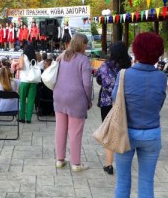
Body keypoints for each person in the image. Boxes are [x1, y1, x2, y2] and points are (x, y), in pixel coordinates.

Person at [110, 32, 166, 198]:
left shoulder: (124, 75)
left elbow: (115, 100)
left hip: (126, 132)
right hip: (152, 133)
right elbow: (159, 103)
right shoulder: (161, 77)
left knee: (123, 183)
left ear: (135, 50)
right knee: (147, 184)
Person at [53, 33, 92, 172]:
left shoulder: (63, 56)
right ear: (83, 44)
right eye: (86, 44)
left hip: (59, 96)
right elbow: (87, 84)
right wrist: (88, 99)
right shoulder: (84, 60)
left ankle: (60, 159)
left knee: (60, 129)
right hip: (76, 98)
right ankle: (75, 163)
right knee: (75, 132)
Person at [96, 41, 132, 175]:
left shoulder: (105, 65)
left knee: (108, 131)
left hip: (107, 102)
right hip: (124, 102)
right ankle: (122, 160)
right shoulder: (129, 66)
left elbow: (99, 79)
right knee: (122, 130)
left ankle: (109, 164)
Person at [16, 44, 39, 123]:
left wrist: (16, 66)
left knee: (22, 99)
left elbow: (21, 66)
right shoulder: (35, 57)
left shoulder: (23, 56)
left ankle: (22, 118)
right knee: (31, 101)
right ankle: (29, 118)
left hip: (25, 81)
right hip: (33, 81)